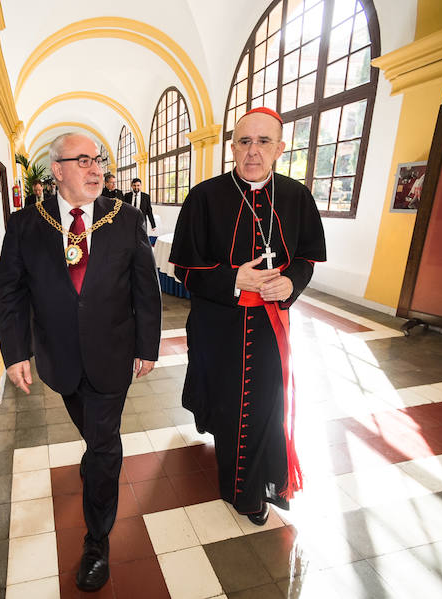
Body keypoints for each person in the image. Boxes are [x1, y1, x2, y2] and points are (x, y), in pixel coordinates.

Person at [0, 133, 161, 592]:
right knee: (93, 435)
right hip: (60, 359)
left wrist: (147, 345)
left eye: (99, 160)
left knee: (104, 444)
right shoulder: (26, 225)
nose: (96, 170)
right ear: (58, 170)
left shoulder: (124, 219)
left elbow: (145, 287)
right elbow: (10, 292)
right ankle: (97, 464)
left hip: (112, 353)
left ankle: (96, 540)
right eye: (83, 160)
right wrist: (15, 353)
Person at [169, 107, 326, 525]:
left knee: (266, 406)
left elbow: (308, 258)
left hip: (272, 325)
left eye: (263, 142)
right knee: (229, 407)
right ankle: (242, 491)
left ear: (279, 147)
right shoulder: (204, 196)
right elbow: (183, 268)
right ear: (232, 147)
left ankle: (264, 483)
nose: (252, 151)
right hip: (218, 326)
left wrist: (292, 283)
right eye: (244, 141)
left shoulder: (296, 197)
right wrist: (234, 280)